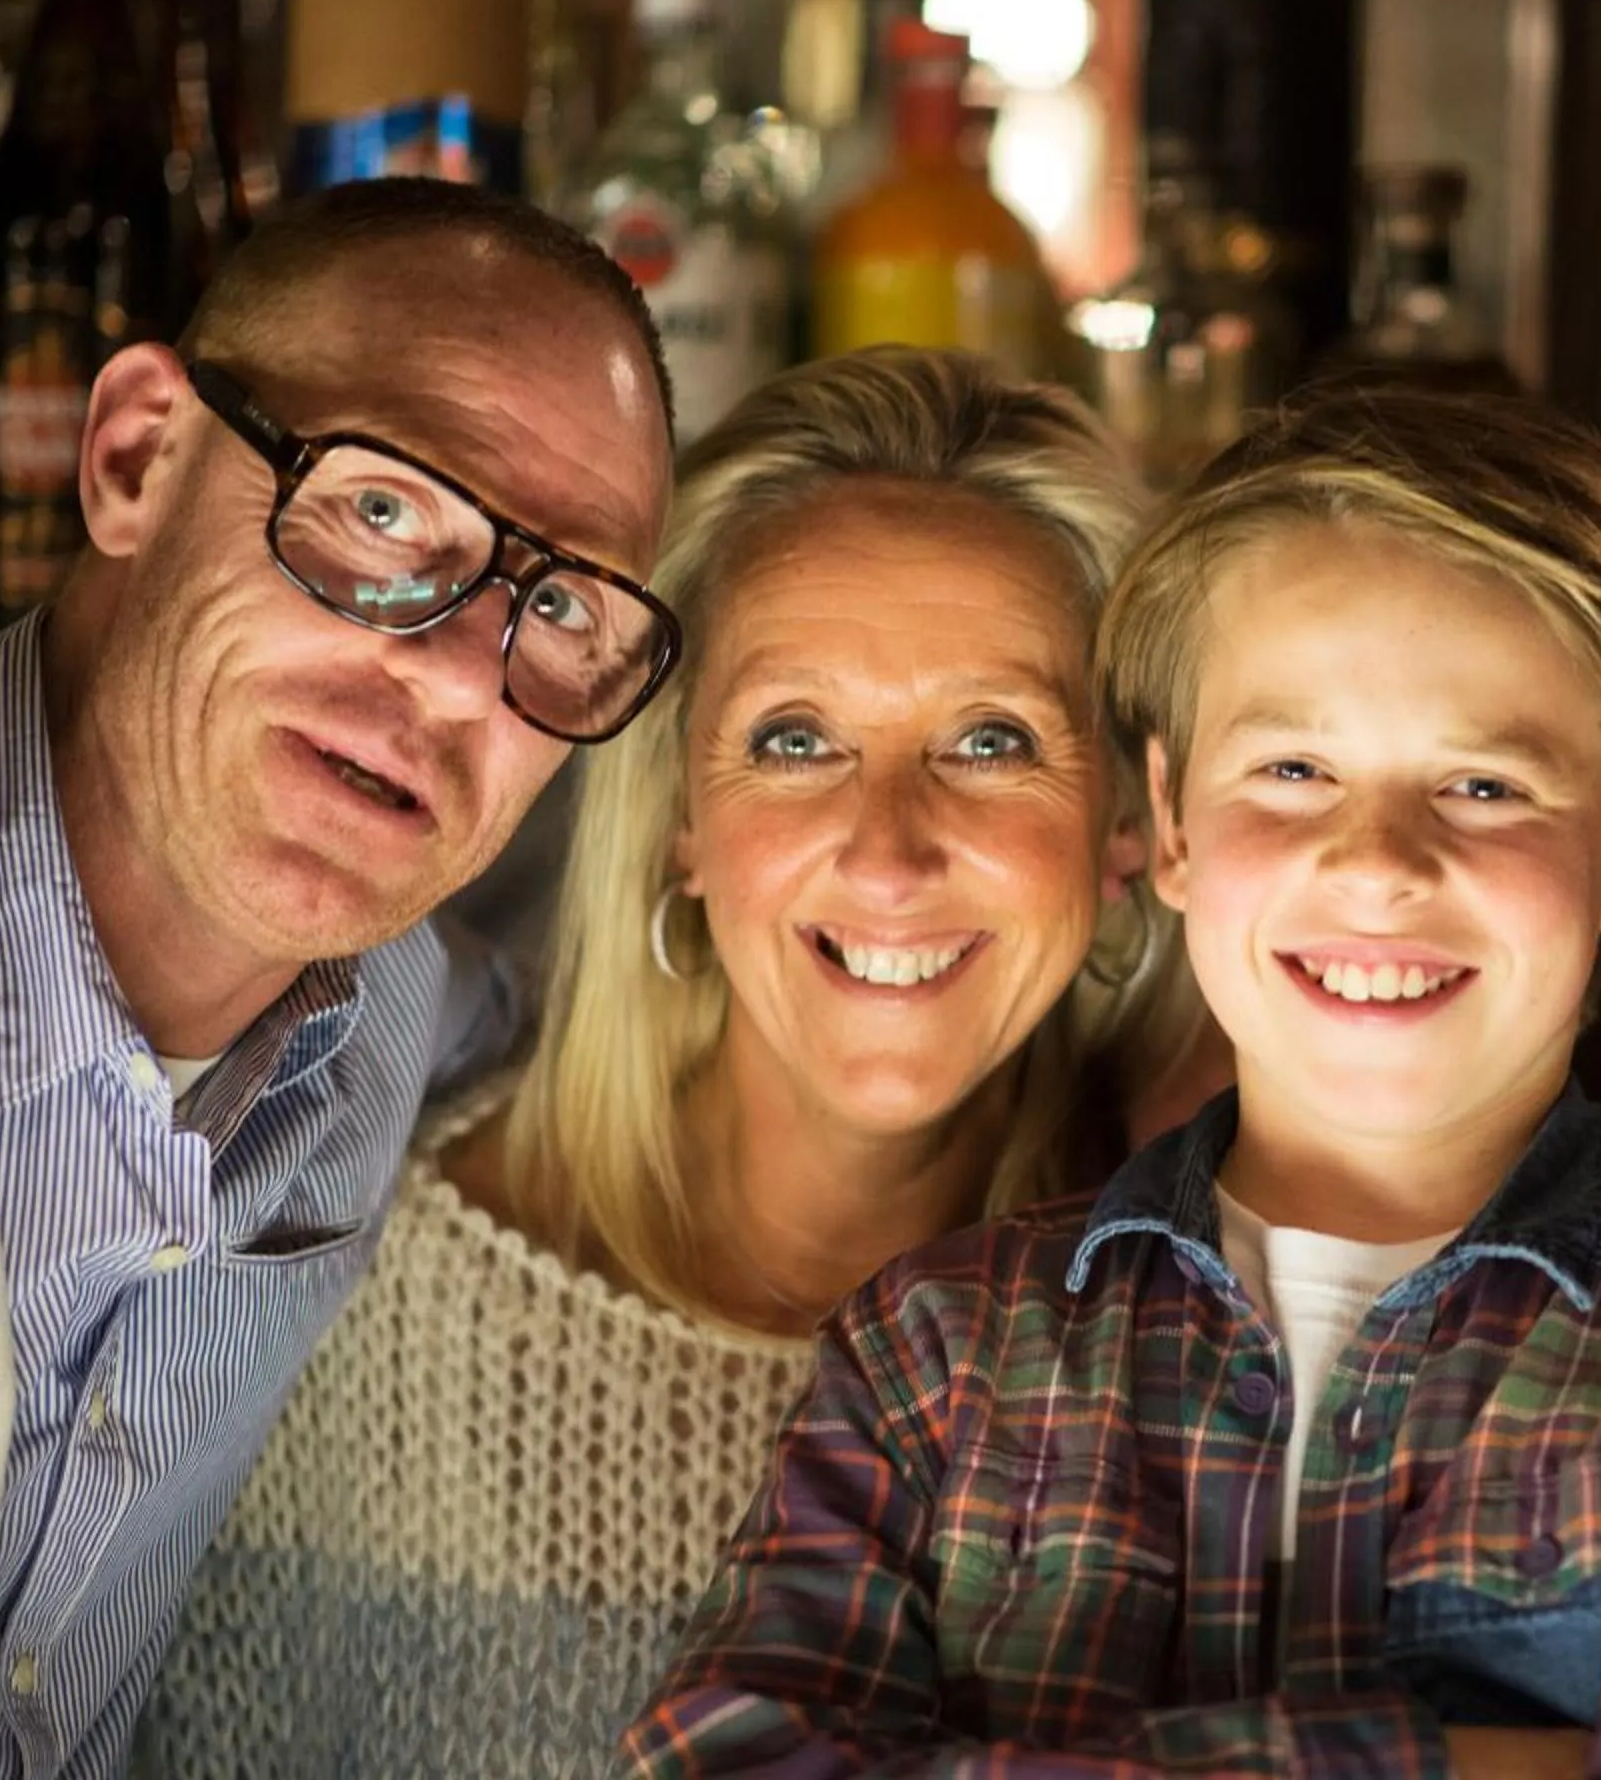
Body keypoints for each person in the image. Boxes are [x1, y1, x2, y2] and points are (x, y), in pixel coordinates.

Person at [623, 385, 1601, 1777]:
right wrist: (1484, 1763)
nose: (1378, 861)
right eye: (1295, 769)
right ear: (1174, 828)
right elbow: (721, 1754)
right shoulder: (939, 1346)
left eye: (1485, 787)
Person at [143, 347, 1193, 1776]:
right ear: (682, 813)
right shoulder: (350, 1288)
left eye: (992, 740)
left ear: (1126, 828)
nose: (889, 853)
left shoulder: (1221, 1357)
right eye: (798, 737)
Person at [0, 176, 678, 1780]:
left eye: (560, 607)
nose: (452, 674)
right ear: (131, 459)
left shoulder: (401, 1019)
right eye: (385, 511)